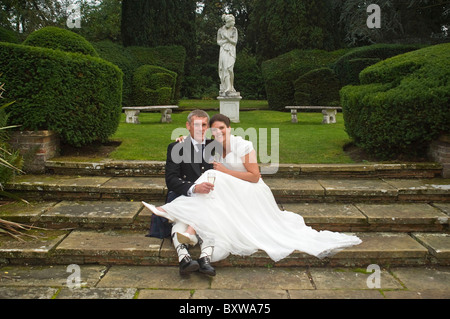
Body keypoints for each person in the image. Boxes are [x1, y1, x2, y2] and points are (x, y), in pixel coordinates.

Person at [144, 114, 362, 270]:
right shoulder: (205, 145)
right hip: (208, 190)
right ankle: (186, 240)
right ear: (189, 126)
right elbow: (175, 174)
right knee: (214, 187)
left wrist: (224, 171)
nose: (214, 132)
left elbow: (254, 175)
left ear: (229, 129)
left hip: (246, 188)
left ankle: (176, 218)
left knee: (218, 180)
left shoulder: (234, 145)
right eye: (209, 128)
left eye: (219, 128)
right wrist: (182, 141)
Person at [146, 109, 220, 276]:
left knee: (210, 216)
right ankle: (186, 258)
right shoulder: (176, 147)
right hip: (183, 194)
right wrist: (194, 188)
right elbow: (171, 180)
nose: (201, 128)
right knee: (185, 217)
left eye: (204, 124)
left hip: (208, 196)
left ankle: (201, 259)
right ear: (188, 126)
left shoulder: (215, 147)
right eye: (196, 125)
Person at [217, 14, 238, 96]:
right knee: (225, 68)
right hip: (223, 50)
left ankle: (231, 86)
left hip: (231, 50)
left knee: (230, 69)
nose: (233, 23)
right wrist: (226, 41)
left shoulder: (234, 30)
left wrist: (226, 38)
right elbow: (218, 42)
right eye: (232, 22)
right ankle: (228, 87)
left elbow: (235, 42)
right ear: (227, 22)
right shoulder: (220, 30)